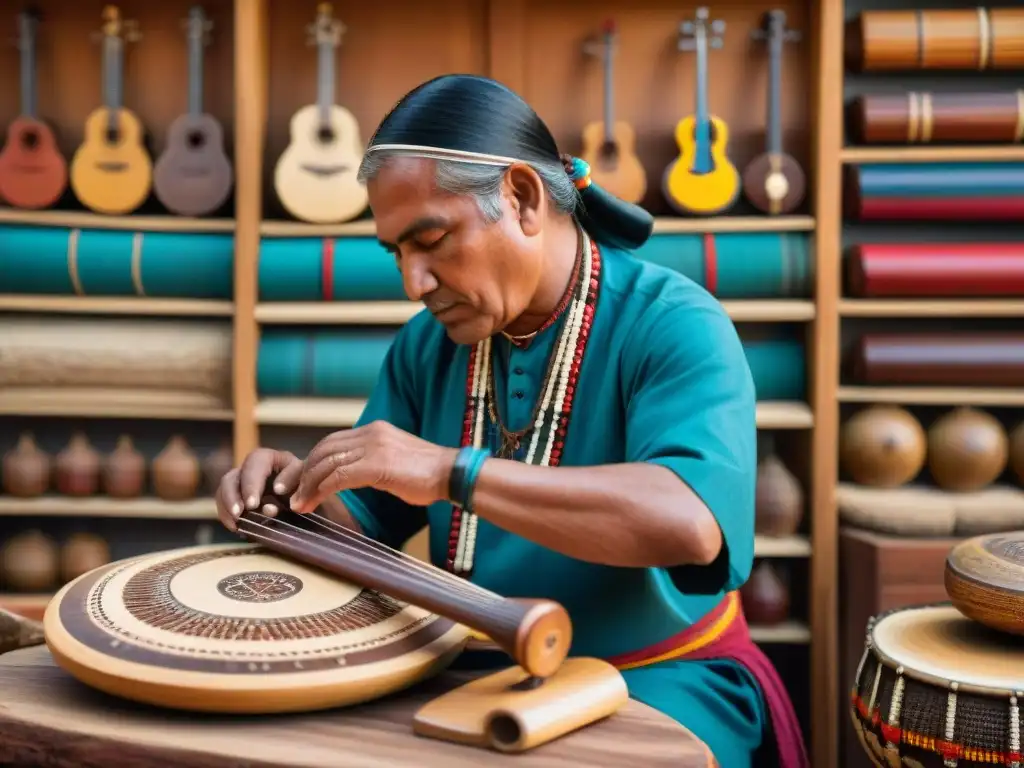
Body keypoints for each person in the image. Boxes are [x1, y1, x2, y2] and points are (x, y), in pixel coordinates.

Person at [216, 74, 808, 768]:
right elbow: (364, 523)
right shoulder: (426, 346)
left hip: (656, 681)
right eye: (397, 253)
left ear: (523, 198)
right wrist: (288, 500)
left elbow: (688, 521)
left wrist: (448, 471)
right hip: (472, 678)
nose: (415, 282)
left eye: (431, 239)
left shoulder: (674, 324)